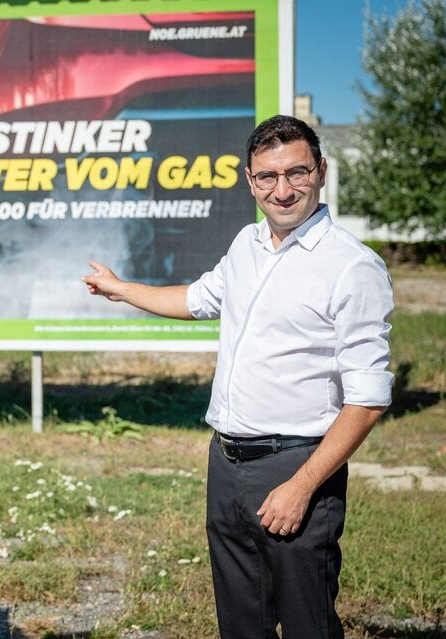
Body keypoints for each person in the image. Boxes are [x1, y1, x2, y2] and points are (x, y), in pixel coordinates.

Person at [83, 114, 393, 638]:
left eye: (297, 172)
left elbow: (367, 400)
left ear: (320, 171)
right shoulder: (247, 245)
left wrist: (300, 488)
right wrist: (122, 289)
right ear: (250, 182)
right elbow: (195, 299)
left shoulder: (352, 266)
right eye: (267, 177)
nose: (283, 189)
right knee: (241, 625)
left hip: (297, 466)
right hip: (226, 464)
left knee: (305, 624)